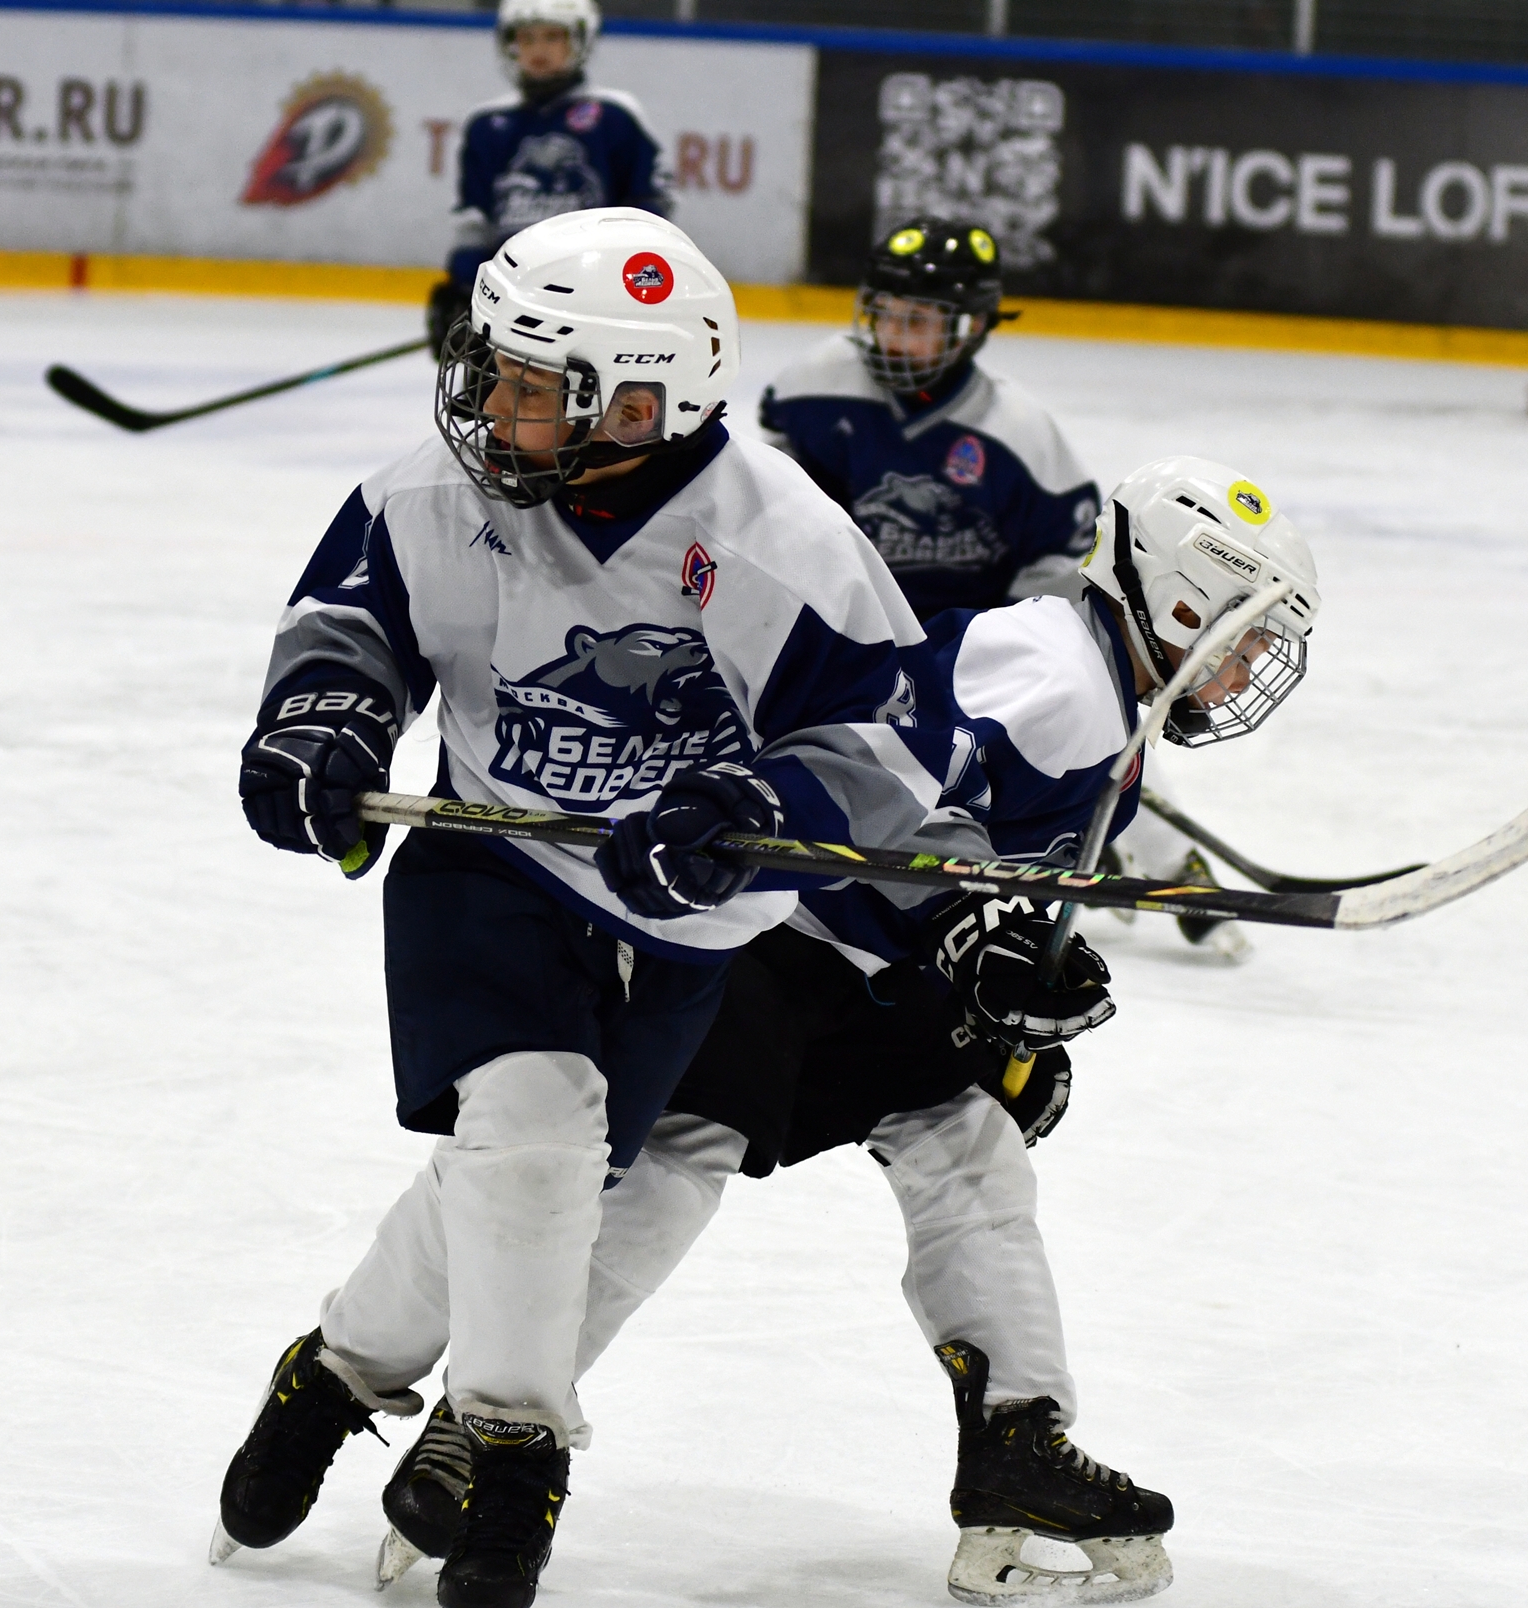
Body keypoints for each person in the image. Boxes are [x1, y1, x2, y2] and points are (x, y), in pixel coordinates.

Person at [209, 207, 992, 1608]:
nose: (490, 404)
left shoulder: (774, 539)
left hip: (685, 928)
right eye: (495, 368)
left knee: (520, 1188)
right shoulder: (432, 498)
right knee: (534, 1130)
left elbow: (881, 741)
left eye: (531, 385)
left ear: (642, 400)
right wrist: (322, 722)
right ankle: (517, 1447)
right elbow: (348, 628)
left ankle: (334, 1372)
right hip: (491, 869)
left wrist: (760, 818)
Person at [368, 457, 1323, 1605]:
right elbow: (912, 786)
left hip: (863, 964)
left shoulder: (1108, 697)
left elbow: (982, 867)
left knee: (965, 1141)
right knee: (674, 1163)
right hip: (785, 939)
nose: (1251, 663)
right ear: (1178, 595)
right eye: (1244, 632)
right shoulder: (1055, 671)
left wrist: (1009, 997)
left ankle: (1017, 1444)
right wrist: (970, 930)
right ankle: (486, 1432)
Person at [765, 214, 1256, 961]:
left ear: (969, 328)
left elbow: (1073, 564)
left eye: (919, 321)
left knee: (1094, 732)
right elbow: (775, 518)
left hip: (971, 653)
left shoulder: (1022, 435)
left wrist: (1005, 653)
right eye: (886, 315)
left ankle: (1167, 863)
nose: (894, 336)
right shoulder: (810, 390)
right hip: (858, 645)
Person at [427, 0, 671, 355]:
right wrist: (466, 288)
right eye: (527, 39)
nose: (538, 50)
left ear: (581, 42)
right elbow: (474, 218)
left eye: (553, 37)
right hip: (512, 296)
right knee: (491, 405)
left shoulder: (616, 117)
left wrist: (627, 289)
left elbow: (649, 212)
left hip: (592, 298)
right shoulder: (486, 125)